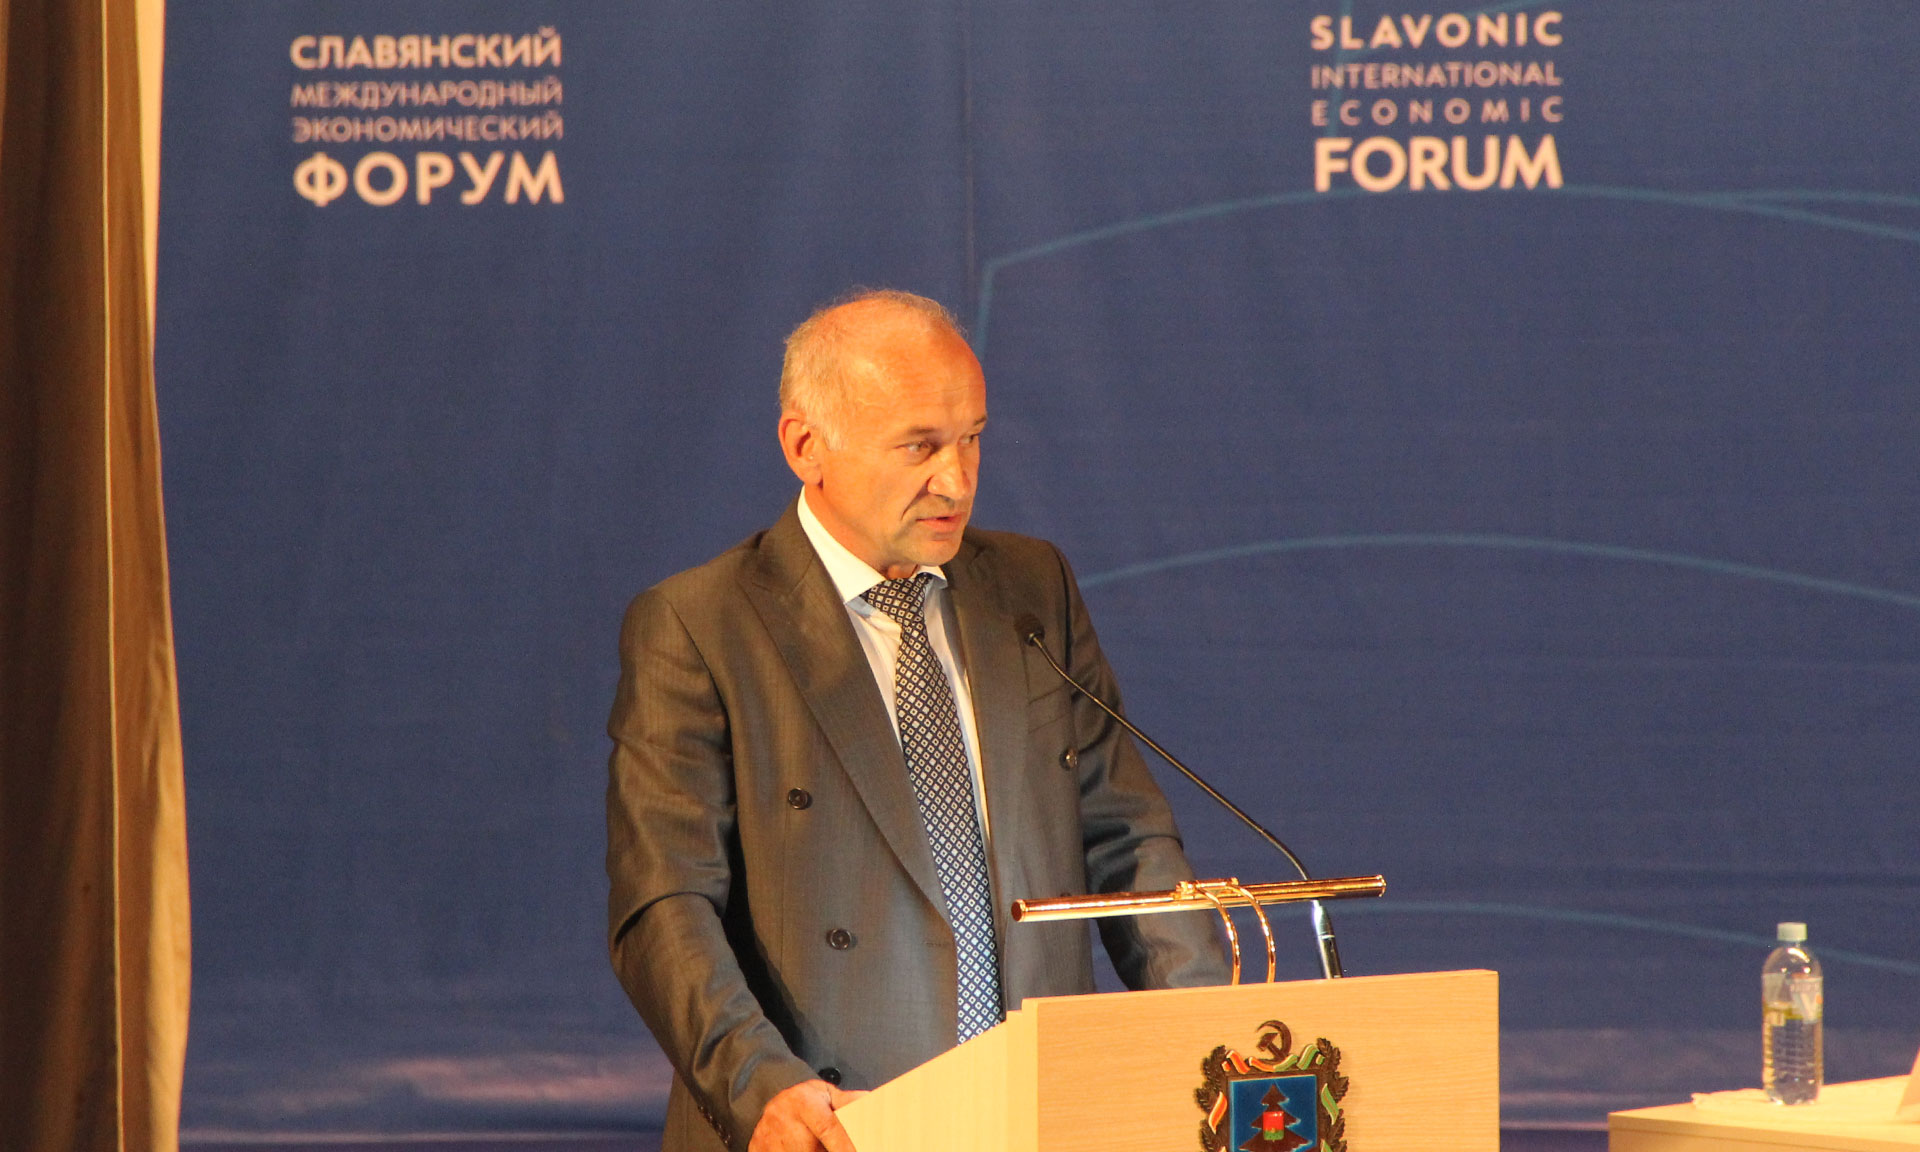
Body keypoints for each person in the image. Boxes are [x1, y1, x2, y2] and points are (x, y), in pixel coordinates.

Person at [606, 290, 1228, 1152]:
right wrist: (763, 1085)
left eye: (972, 437)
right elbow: (664, 904)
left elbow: (1128, 844)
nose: (957, 480)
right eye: (920, 447)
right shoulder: (700, 625)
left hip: (1035, 1113)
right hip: (835, 1122)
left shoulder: (1031, 589)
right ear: (805, 447)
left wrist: (1216, 1042)